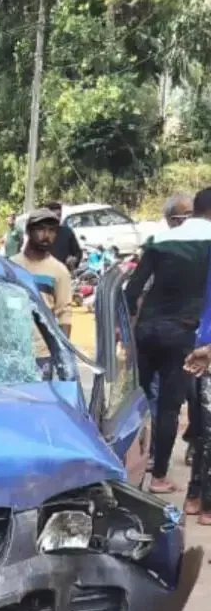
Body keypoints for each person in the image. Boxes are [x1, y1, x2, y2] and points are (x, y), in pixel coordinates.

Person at [125, 186, 211, 492]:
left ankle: (127, 469)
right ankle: (159, 476)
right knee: (170, 408)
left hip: (147, 328)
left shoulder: (160, 239)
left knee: (137, 400)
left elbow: (132, 290)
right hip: (183, 331)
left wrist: (129, 328)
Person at [15, 207, 74, 335]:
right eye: (41, 229)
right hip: (14, 343)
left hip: (43, 346)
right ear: (28, 230)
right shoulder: (12, 266)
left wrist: (62, 347)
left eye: (52, 230)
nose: (47, 235)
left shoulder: (59, 271)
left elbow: (64, 315)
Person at [43, 201, 83, 272]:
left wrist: (74, 260)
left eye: (59, 215)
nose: (57, 219)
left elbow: (77, 253)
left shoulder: (67, 232)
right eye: (53, 216)